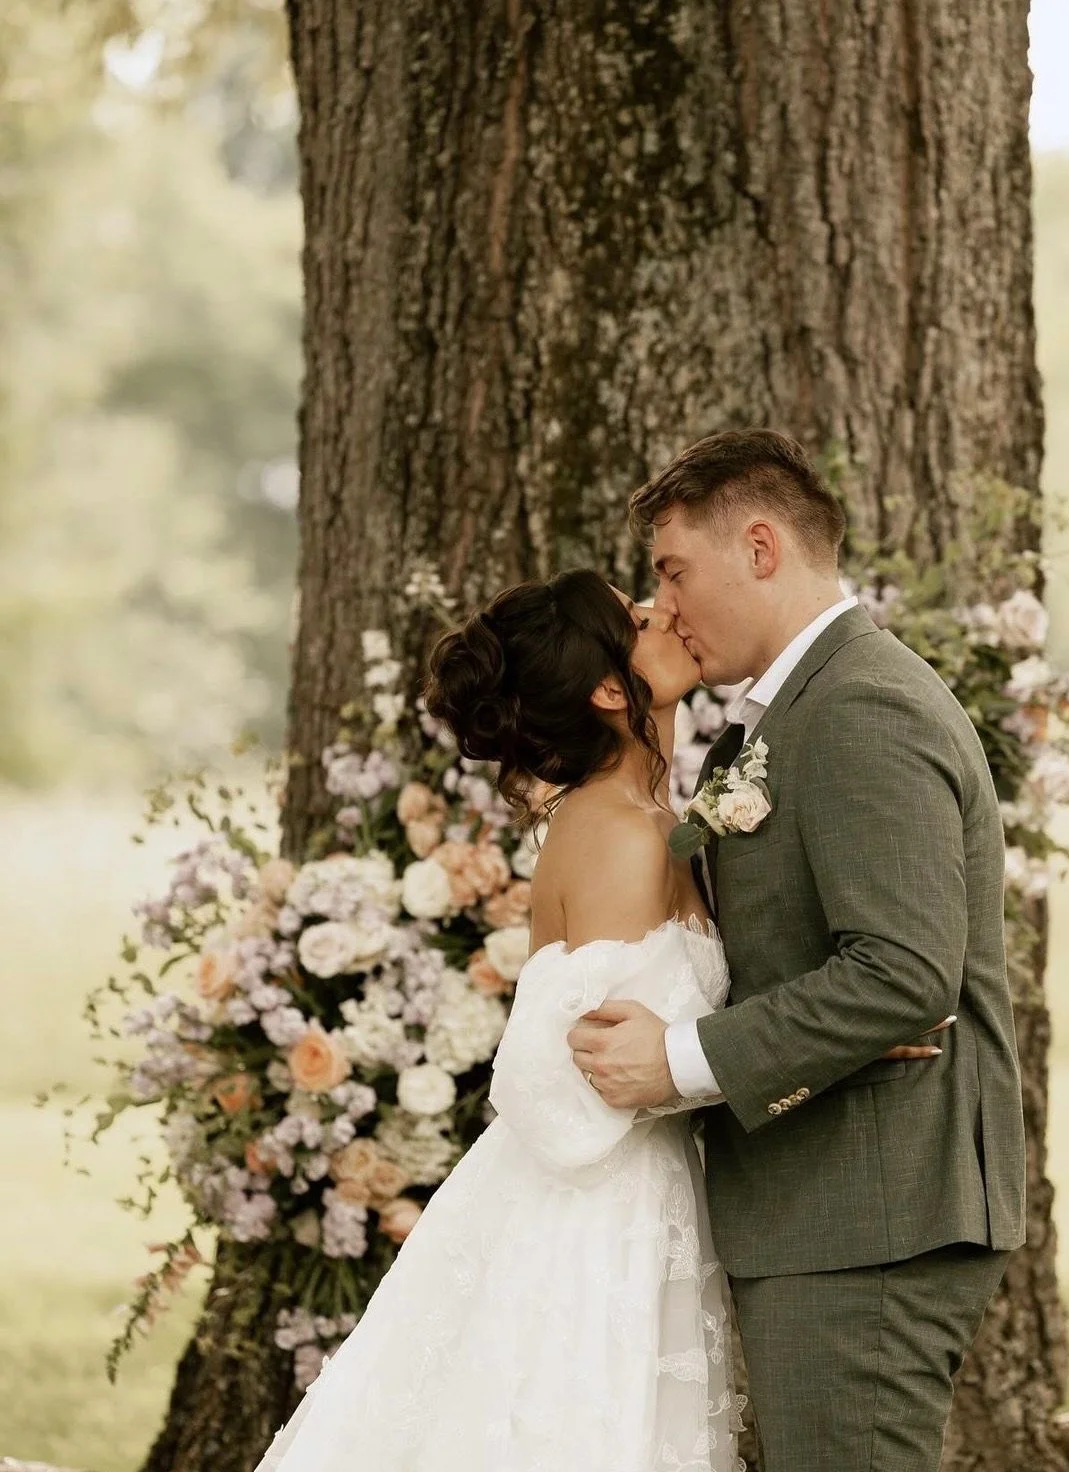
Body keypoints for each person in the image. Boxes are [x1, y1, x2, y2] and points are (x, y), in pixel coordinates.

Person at [254, 566, 941, 1472]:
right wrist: (822, 1047)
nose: (663, 612)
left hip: (642, 1200)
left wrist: (835, 1023)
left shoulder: (650, 815)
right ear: (612, 689)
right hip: (592, 1229)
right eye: (637, 613)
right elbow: (588, 1074)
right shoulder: (619, 834)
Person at [569, 429, 1028, 1472]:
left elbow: (908, 974)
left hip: (871, 1215)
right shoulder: (782, 718)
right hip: (827, 1202)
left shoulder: (862, 706)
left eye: (675, 570)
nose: (665, 605)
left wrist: (680, 1059)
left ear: (761, 547)